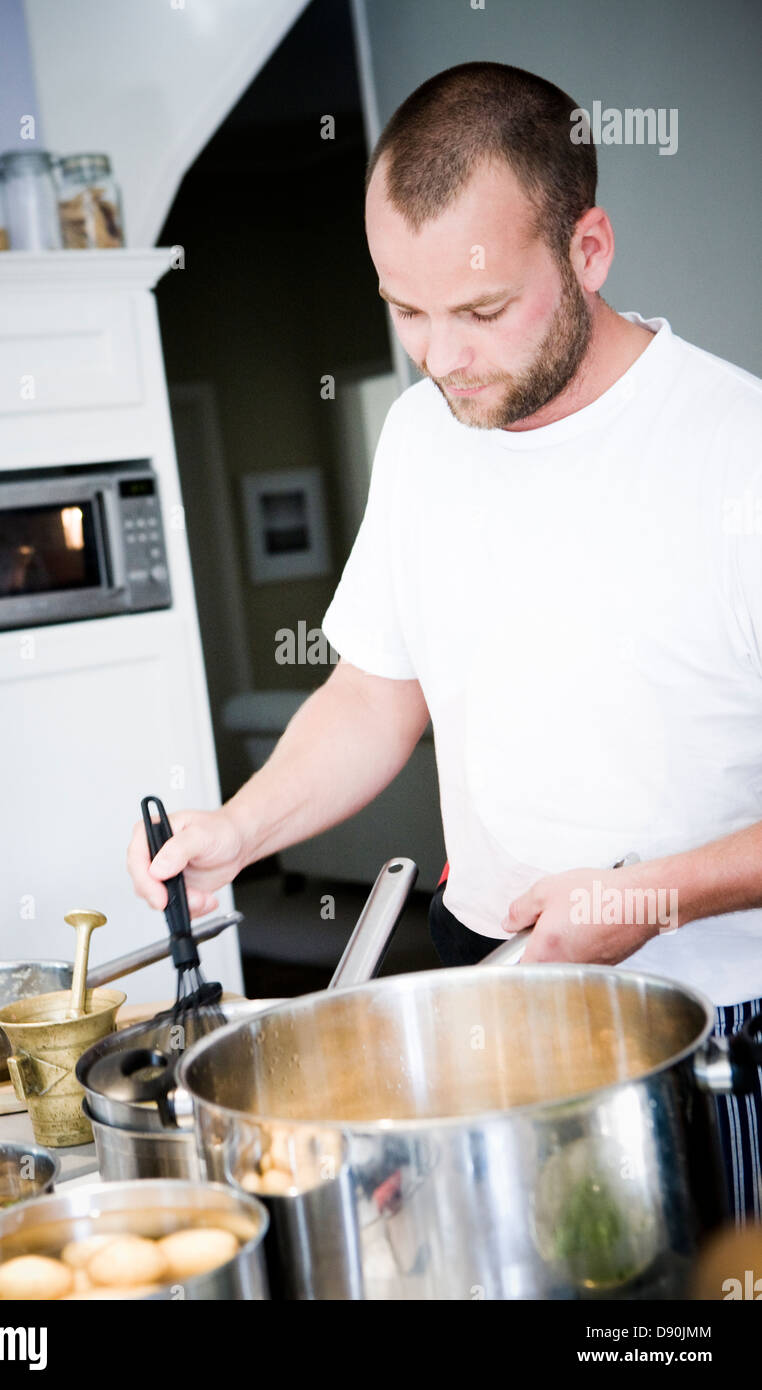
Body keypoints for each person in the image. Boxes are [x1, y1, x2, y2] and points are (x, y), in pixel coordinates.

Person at [128, 62, 762, 1221]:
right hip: (487, 984)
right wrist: (237, 827)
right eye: (403, 310)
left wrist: (647, 898)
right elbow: (376, 696)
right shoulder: (423, 437)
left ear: (587, 250)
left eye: (477, 311)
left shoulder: (736, 451)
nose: (438, 356)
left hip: (715, 1020)